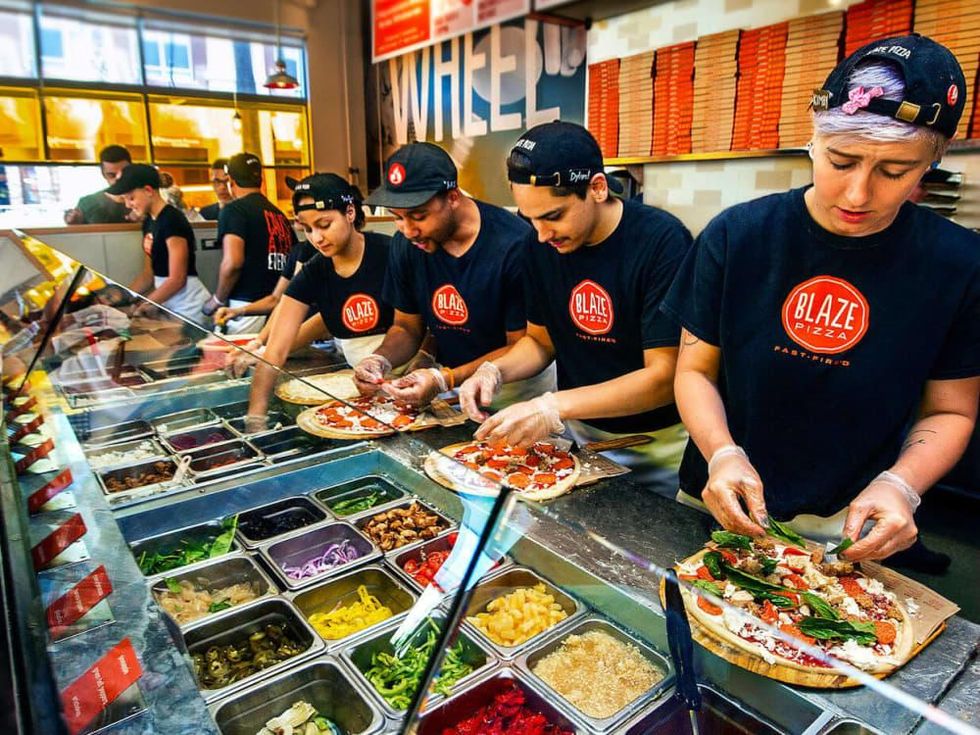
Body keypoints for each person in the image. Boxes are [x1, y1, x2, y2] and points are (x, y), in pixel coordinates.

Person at [663, 35, 980, 566]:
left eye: (895, 172)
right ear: (813, 140)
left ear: (932, 162)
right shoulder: (738, 236)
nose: (858, 194)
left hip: (852, 520)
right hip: (718, 497)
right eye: (841, 160)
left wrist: (902, 486)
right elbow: (694, 371)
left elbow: (951, 409)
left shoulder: (960, 265)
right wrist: (721, 452)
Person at [458, 122, 691, 490]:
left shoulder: (661, 241)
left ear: (597, 188)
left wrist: (553, 406)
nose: (541, 234)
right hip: (579, 433)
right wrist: (494, 370)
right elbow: (540, 342)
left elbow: (663, 377)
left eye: (553, 216)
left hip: (655, 440)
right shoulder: (538, 247)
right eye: (530, 219)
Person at [354, 142, 554, 407]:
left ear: (452, 197)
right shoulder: (407, 245)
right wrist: (380, 359)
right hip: (450, 384)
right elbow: (406, 327)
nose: (408, 230)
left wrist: (446, 379)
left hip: (515, 392)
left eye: (419, 216)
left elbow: (523, 344)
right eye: (398, 217)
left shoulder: (514, 246)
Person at [245, 173, 396, 424]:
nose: (316, 238)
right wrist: (256, 416)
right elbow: (277, 348)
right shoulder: (315, 271)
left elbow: (417, 328)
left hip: (408, 377)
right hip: (364, 384)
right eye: (307, 229)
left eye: (324, 225)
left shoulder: (390, 254)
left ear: (350, 212)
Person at [203, 152, 296, 334]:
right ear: (260, 179)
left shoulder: (233, 211)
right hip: (277, 307)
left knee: (232, 352)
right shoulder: (279, 215)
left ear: (231, 181)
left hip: (244, 308)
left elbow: (233, 263)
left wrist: (217, 300)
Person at [108, 164, 211, 323]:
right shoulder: (149, 222)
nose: (128, 205)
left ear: (148, 191)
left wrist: (146, 304)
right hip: (170, 303)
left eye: (131, 198)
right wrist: (125, 298)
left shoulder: (172, 219)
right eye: (125, 199)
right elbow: (148, 274)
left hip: (190, 305)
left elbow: (178, 279)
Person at [64, 145, 133, 225]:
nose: (118, 179)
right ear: (103, 174)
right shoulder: (87, 204)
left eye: (123, 173)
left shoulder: (144, 200)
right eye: (111, 175)